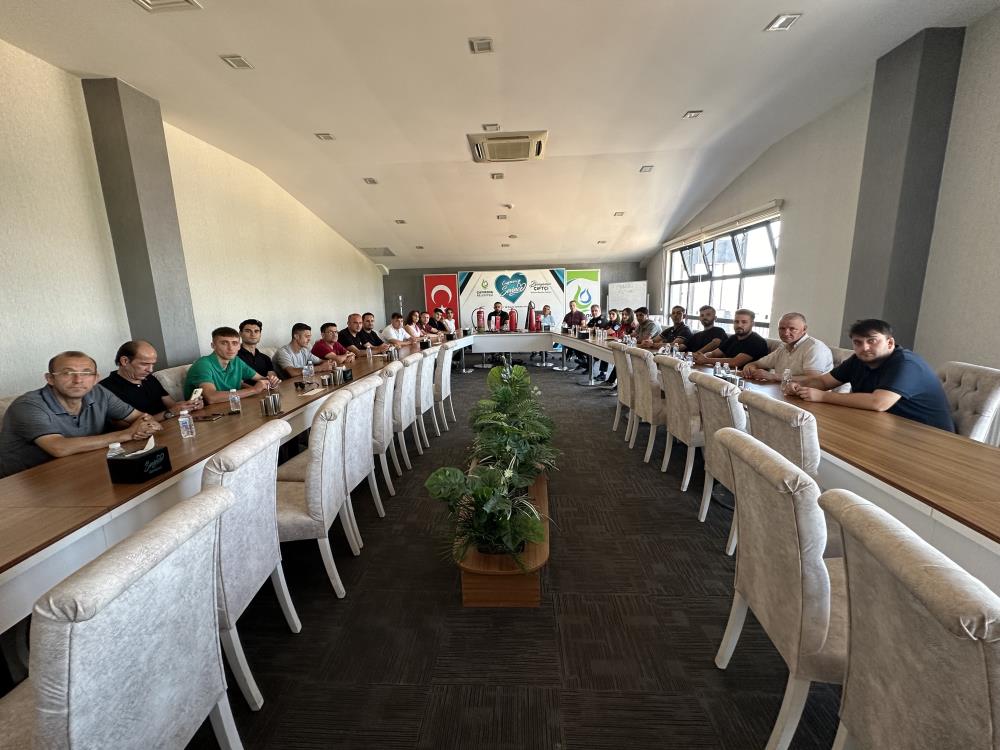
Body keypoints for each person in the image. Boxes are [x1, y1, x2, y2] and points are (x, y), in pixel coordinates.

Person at [0, 351, 162, 477]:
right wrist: (127, 434)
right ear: (50, 379)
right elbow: (58, 447)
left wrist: (146, 425)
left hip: (78, 468)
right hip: (23, 484)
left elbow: (141, 417)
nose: (78, 380)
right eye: (67, 373)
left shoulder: (98, 392)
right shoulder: (28, 405)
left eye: (86, 373)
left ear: (95, 378)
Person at [788, 319, 955, 432]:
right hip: (886, 426)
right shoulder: (857, 360)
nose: (864, 348)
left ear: (890, 342)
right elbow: (824, 382)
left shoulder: (906, 363)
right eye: (858, 342)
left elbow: (879, 402)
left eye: (872, 341)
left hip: (929, 435)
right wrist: (800, 387)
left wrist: (823, 397)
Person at [99, 340, 203, 421]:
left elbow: (171, 405)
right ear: (125, 361)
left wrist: (189, 406)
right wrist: (169, 413)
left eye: (153, 364)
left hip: (169, 428)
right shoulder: (105, 389)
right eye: (144, 364)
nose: (150, 370)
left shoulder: (149, 378)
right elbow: (124, 427)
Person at [185, 327, 280, 402]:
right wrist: (254, 390)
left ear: (239, 346)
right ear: (213, 345)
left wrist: (272, 382)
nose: (230, 348)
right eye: (224, 343)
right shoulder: (203, 365)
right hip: (204, 415)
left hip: (233, 407)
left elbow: (261, 379)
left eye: (234, 343)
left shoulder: (236, 361)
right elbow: (211, 397)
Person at [743, 313, 833, 381]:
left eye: (792, 329)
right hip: (784, 392)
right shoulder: (783, 347)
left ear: (804, 329)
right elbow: (757, 364)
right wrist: (749, 367)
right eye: (782, 328)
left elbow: (813, 379)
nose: (786, 333)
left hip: (811, 397)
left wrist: (774, 376)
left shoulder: (814, 348)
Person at [694, 308, 769, 368]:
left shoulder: (757, 341)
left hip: (748, 380)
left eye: (744, 322)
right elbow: (714, 353)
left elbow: (735, 362)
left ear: (752, 324)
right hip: (726, 375)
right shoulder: (733, 338)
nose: (739, 325)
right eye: (736, 322)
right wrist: (700, 357)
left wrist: (706, 360)